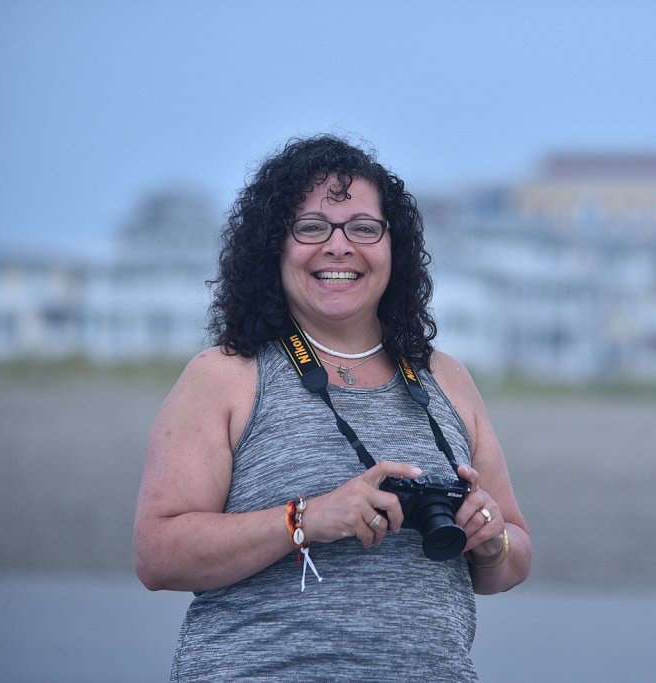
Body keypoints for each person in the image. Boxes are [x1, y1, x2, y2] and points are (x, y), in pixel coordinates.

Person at [133, 134, 531, 681]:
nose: (339, 247)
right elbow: (158, 554)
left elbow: (513, 559)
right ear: (274, 245)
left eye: (364, 228)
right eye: (312, 227)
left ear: (395, 247)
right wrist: (306, 520)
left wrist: (489, 539)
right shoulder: (226, 375)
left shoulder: (446, 378)